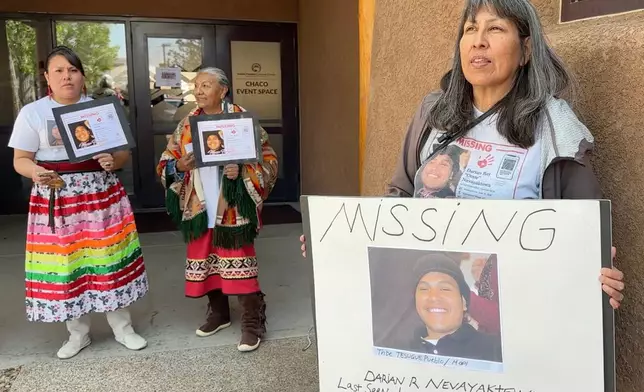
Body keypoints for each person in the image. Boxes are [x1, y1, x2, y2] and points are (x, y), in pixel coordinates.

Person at [300, 0, 625, 309]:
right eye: (470, 29)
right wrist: (337, 240)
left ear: (525, 50)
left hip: (520, 312)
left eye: (495, 29)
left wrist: (597, 271)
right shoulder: (432, 113)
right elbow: (399, 198)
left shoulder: (556, 128)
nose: (478, 42)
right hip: (428, 300)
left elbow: (585, 230)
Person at [8, 45, 148, 359]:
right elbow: (21, 159)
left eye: (72, 70)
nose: (66, 77)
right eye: (59, 71)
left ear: (82, 76)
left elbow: (123, 152)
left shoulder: (101, 110)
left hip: (100, 194)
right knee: (66, 265)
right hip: (56, 195)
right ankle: (78, 334)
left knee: (108, 259)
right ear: (47, 76)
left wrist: (114, 159)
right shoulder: (33, 113)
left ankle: (123, 328)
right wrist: (37, 171)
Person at [156, 67, 278, 352]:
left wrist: (244, 170)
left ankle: (252, 321)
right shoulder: (188, 123)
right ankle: (219, 313)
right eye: (196, 86)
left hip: (232, 204)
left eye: (206, 85)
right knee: (206, 259)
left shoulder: (241, 119)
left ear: (223, 90)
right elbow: (166, 160)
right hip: (199, 202)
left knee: (239, 260)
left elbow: (269, 160)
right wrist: (178, 166)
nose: (199, 91)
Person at [405, 254, 503, 362]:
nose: (433, 296)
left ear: (464, 302)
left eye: (445, 289)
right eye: (424, 289)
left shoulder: (495, 351)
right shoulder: (400, 348)